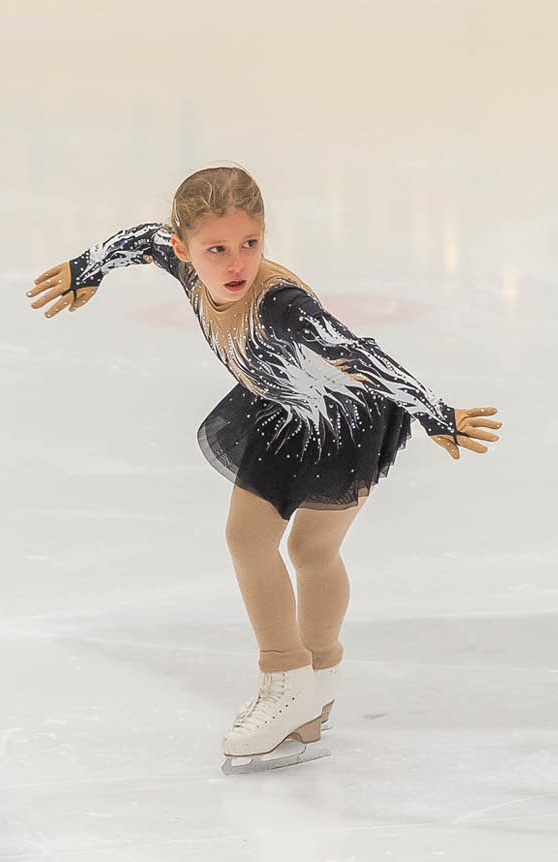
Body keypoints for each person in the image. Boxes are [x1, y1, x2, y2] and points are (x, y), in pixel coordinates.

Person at [27, 165, 501, 772]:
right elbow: (140, 239)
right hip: (284, 401)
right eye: (217, 250)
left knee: (303, 548)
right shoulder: (175, 256)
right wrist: (85, 268)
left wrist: (435, 414)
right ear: (184, 249)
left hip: (344, 418)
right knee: (262, 541)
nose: (236, 264)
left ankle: (295, 679)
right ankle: (308, 681)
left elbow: (358, 353)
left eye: (249, 243)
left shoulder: (280, 305)